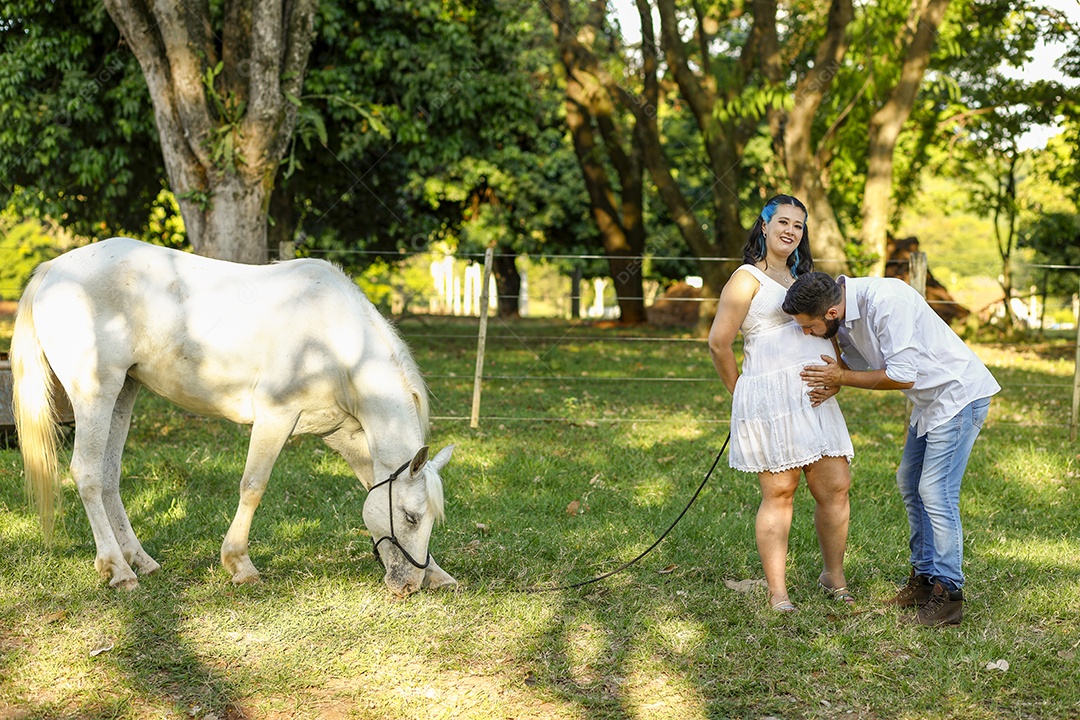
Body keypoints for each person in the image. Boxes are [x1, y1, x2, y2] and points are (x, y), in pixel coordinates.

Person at [782, 272, 1000, 626]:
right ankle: (925, 580)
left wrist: (841, 379)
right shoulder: (843, 311)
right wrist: (838, 379)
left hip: (958, 395)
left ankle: (949, 595)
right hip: (930, 402)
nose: (807, 333)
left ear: (832, 313)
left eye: (809, 327)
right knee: (909, 483)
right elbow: (851, 365)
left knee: (936, 491)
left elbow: (902, 375)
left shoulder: (886, 301)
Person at [708, 195, 855, 613]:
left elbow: (830, 328)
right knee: (780, 492)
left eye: (799, 225)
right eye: (783, 222)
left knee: (835, 486)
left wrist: (838, 377)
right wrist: (743, 395)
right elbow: (718, 344)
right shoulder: (746, 278)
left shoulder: (805, 279)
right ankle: (778, 593)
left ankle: (834, 577)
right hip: (770, 402)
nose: (791, 231)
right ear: (765, 225)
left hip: (814, 398)